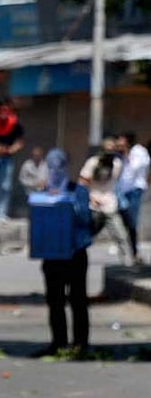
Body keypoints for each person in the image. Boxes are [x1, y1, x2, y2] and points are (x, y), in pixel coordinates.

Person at [31, 149, 93, 358]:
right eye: (51, 166)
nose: (55, 170)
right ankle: (58, 342)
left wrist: (65, 202)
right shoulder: (43, 194)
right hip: (53, 255)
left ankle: (80, 345)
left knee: (78, 301)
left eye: (59, 165)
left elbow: (85, 219)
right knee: (55, 301)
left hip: (75, 253)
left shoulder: (79, 191)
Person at [79, 138, 132, 266]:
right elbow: (82, 183)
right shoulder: (93, 162)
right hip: (93, 205)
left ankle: (127, 263)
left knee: (121, 235)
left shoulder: (117, 164)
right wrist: (91, 198)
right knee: (85, 236)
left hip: (109, 205)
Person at [116, 132, 149, 264]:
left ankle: (134, 252)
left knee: (132, 221)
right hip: (122, 191)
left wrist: (126, 154)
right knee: (124, 222)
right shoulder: (121, 155)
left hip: (134, 190)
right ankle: (130, 251)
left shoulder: (139, 151)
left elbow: (135, 167)